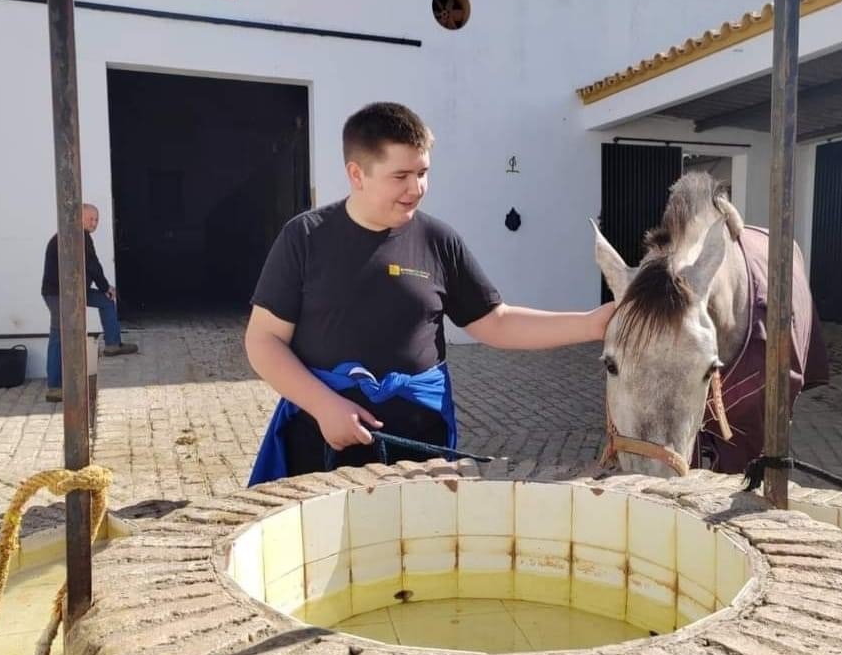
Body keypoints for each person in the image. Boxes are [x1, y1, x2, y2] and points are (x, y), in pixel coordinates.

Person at [246, 102, 615, 484]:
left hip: (421, 446)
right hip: (319, 441)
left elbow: (495, 321)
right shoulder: (305, 238)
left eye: (423, 172)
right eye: (401, 176)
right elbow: (264, 340)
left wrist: (591, 324)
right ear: (357, 174)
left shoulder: (438, 240)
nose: (416, 188)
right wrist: (323, 405)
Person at [41, 203, 137, 403]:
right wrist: (105, 286)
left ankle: (112, 344)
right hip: (58, 295)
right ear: (79, 218)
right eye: (90, 219)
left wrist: (104, 289)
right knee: (59, 335)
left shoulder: (79, 235)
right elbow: (93, 265)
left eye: (96, 219)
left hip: (75, 292)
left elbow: (91, 265)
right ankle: (54, 387)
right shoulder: (78, 235)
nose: (94, 223)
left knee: (106, 302)